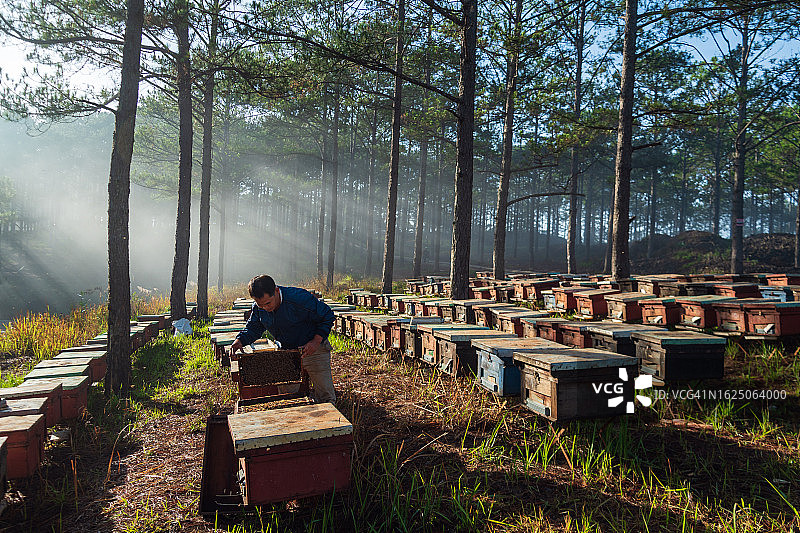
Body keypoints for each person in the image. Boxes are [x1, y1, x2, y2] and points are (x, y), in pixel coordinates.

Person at [229, 275, 337, 403]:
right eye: (260, 305)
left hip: (314, 349)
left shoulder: (299, 298)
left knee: (326, 396)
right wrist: (239, 340)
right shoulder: (259, 307)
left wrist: (316, 341)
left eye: (268, 303)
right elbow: (254, 327)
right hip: (287, 352)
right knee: (286, 397)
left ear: (275, 291)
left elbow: (327, 315)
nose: (265, 308)